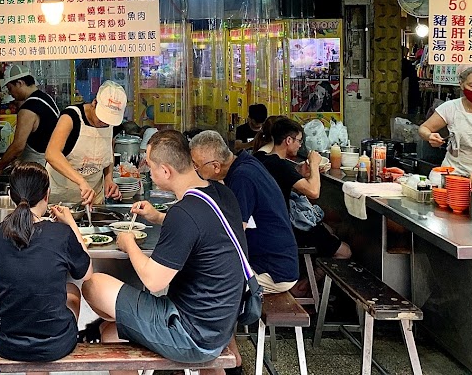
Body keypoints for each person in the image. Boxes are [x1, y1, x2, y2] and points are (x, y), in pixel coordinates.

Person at [82, 130, 247, 370]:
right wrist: (158, 217)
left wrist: (128, 243)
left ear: (166, 171)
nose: (148, 171)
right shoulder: (221, 192)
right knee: (110, 333)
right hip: (222, 323)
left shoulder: (184, 213)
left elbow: (153, 281)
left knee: (94, 284)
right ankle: (128, 319)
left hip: (191, 334)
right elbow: (201, 228)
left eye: (150, 166)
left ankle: (127, 318)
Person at [0, 163, 93, 362]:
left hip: (7, 343)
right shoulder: (61, 234)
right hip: (56, 345)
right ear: (47, 194)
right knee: (72, 289)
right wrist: (71, 223)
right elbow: (87, 274)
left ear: (11, 193)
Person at [189, 130, 299, 295]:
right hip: (266, 261)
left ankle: (246, 321)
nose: (194, 170)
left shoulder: (242, 178)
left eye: (196, 165)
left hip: (272, 271)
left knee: (203, 285)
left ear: (216, 166)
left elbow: (233, 233)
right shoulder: (243, 162)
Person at [260, 118, 351, 260]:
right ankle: (307, 282)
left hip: (276, 224)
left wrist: (303, 172)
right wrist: (314, 164)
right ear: (289, 140)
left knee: (329, 230)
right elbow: (314, 192)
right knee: (345, 251)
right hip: (287, 229)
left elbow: (288, 183)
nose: (300, 145)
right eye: (299, 141)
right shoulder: (280, 165)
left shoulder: (267, 160)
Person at [45, 81, 126, 205]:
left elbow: (108, 154)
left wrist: (108, 179)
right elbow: (52, 154)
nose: (105, 123)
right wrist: (81, 181)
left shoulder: (111, 124)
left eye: (109, 121)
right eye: (102, 118)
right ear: (94, 103)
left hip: (93, 199)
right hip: (61, 197)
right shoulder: (71, 117)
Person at [418, 65, 472, 175]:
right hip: (453, 173)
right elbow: (424, 128)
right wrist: (429, 136)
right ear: (462, 84)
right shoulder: (450, 107)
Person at [0, 65, 61, 177]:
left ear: (19, 83)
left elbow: (18, 146)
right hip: (51, 166)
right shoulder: (46, 98)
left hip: (39, 170)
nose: (10, 94)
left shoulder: (29, 108)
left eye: (10, 88)